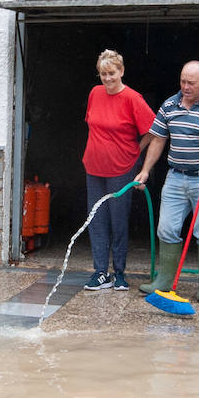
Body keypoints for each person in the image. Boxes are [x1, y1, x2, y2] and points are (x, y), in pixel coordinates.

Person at [135, 61, 199, 303]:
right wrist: (145, 171)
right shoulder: (170, 105)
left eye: (191, 83)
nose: (185, 86)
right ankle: (163, 280)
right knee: (166, 229)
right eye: (182, 81)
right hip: (175, 177)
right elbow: (159, 139)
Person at [81, 49, 155, 291]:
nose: (107, 78)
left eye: (111, 73)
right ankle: (100, 272)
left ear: (121, 71)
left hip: (121, 168)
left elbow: (154, 130)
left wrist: (136, 150)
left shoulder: (133, 98)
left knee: (118, 221)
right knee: (97, 219)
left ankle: (119, 272)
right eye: (103, 74)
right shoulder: (95, 93)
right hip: (94, 166)